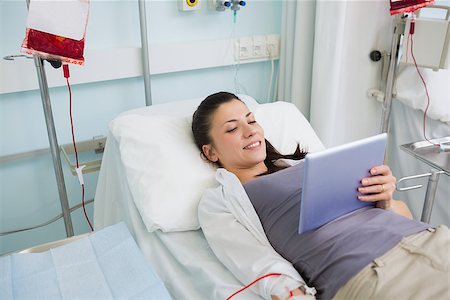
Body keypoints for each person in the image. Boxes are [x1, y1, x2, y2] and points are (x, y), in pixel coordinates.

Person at [191, 92, 450, 300]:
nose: (250, 131)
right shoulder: (222, 200)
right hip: (370, 272)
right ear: (211, 152)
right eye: (232, 129)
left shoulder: (313, 163)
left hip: (432, 240)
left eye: (251, 120)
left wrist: (387, 200)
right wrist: (291, 292)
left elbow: (404, 216)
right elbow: (251, 259)